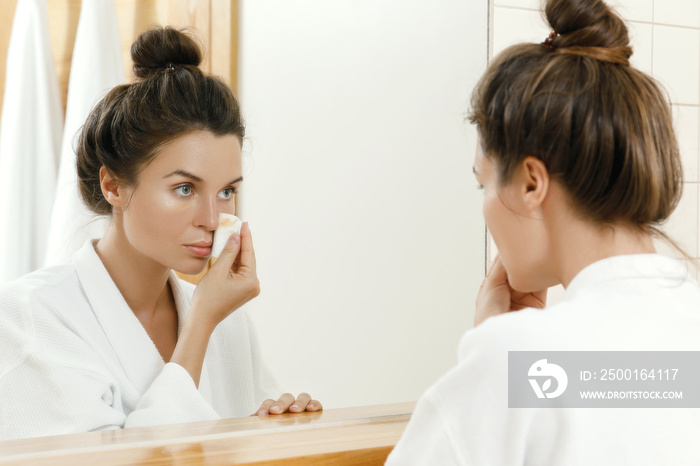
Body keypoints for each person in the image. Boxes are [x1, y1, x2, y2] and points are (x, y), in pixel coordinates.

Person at [386, 0, 700, 463]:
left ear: (532, 183)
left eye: (483, 182)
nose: (485, 207)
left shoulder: (518, 359)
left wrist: (499, 355)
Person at [0, 27, 321, 440]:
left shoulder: (227, 324)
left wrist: (278, 428)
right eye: (185, 189)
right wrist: (201, 322)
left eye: (227, 191)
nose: (212, 217)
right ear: (114, 185)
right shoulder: (30, 318)